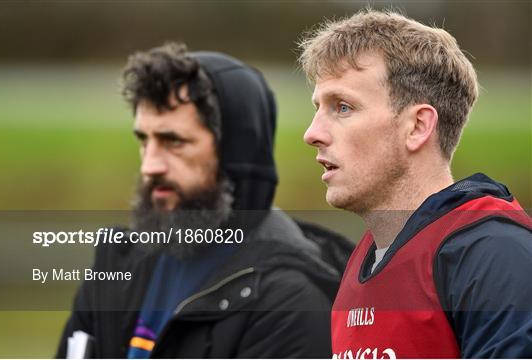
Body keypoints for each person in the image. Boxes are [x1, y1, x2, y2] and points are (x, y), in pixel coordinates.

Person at [56, 43, 353, 358]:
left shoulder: (290, 301)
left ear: (236, 152)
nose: (149, 166)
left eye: (174, 141)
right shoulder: (117, 266)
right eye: (145, 140)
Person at [299, 9, 532, 359]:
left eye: (343, 107)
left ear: (418, 127)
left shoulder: (496, 256)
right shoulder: (363, 261)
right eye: (318, 108)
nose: (311, 133)